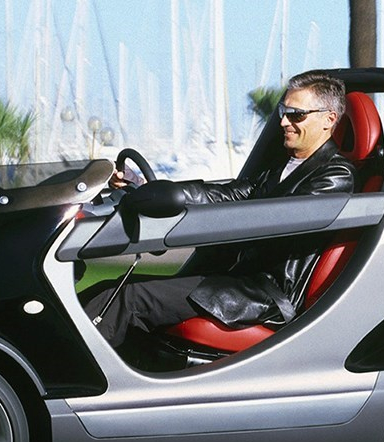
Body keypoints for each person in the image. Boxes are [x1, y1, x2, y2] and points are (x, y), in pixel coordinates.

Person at [84, 71, 357, 347]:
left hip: (263, 293)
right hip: (234, 278)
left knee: (127, 297)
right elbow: (229, 194)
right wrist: (149, 188)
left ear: (328, 119)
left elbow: (277, 219)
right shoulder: (281, 167)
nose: (284, 122)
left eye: (296, 114)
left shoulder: (336, 175)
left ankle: (74, 370)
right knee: (107, 289)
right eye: (283, 112)